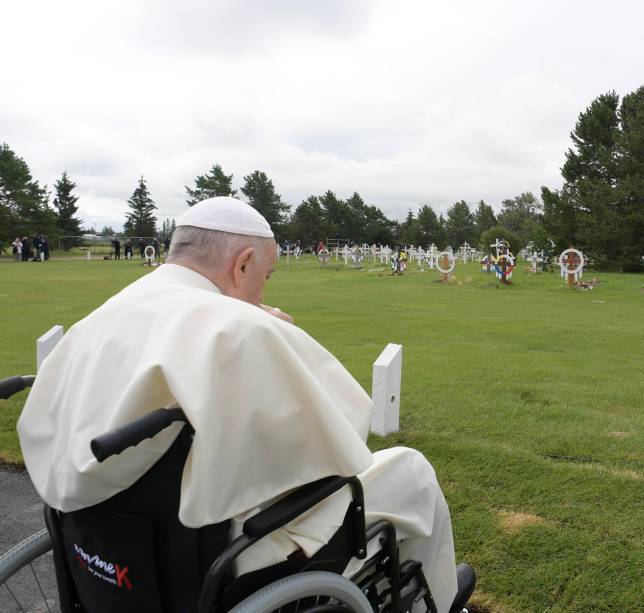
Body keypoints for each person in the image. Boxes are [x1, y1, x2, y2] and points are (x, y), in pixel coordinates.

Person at [17, 197, 474, 613]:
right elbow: (341, 434)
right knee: (410, 470)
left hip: (104, 543)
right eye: (266, 277)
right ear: (243, 264)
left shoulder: (96, 321)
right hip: (215, 555)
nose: (262, 292)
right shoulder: (236, 327)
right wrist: (279, 334)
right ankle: (439, 603)